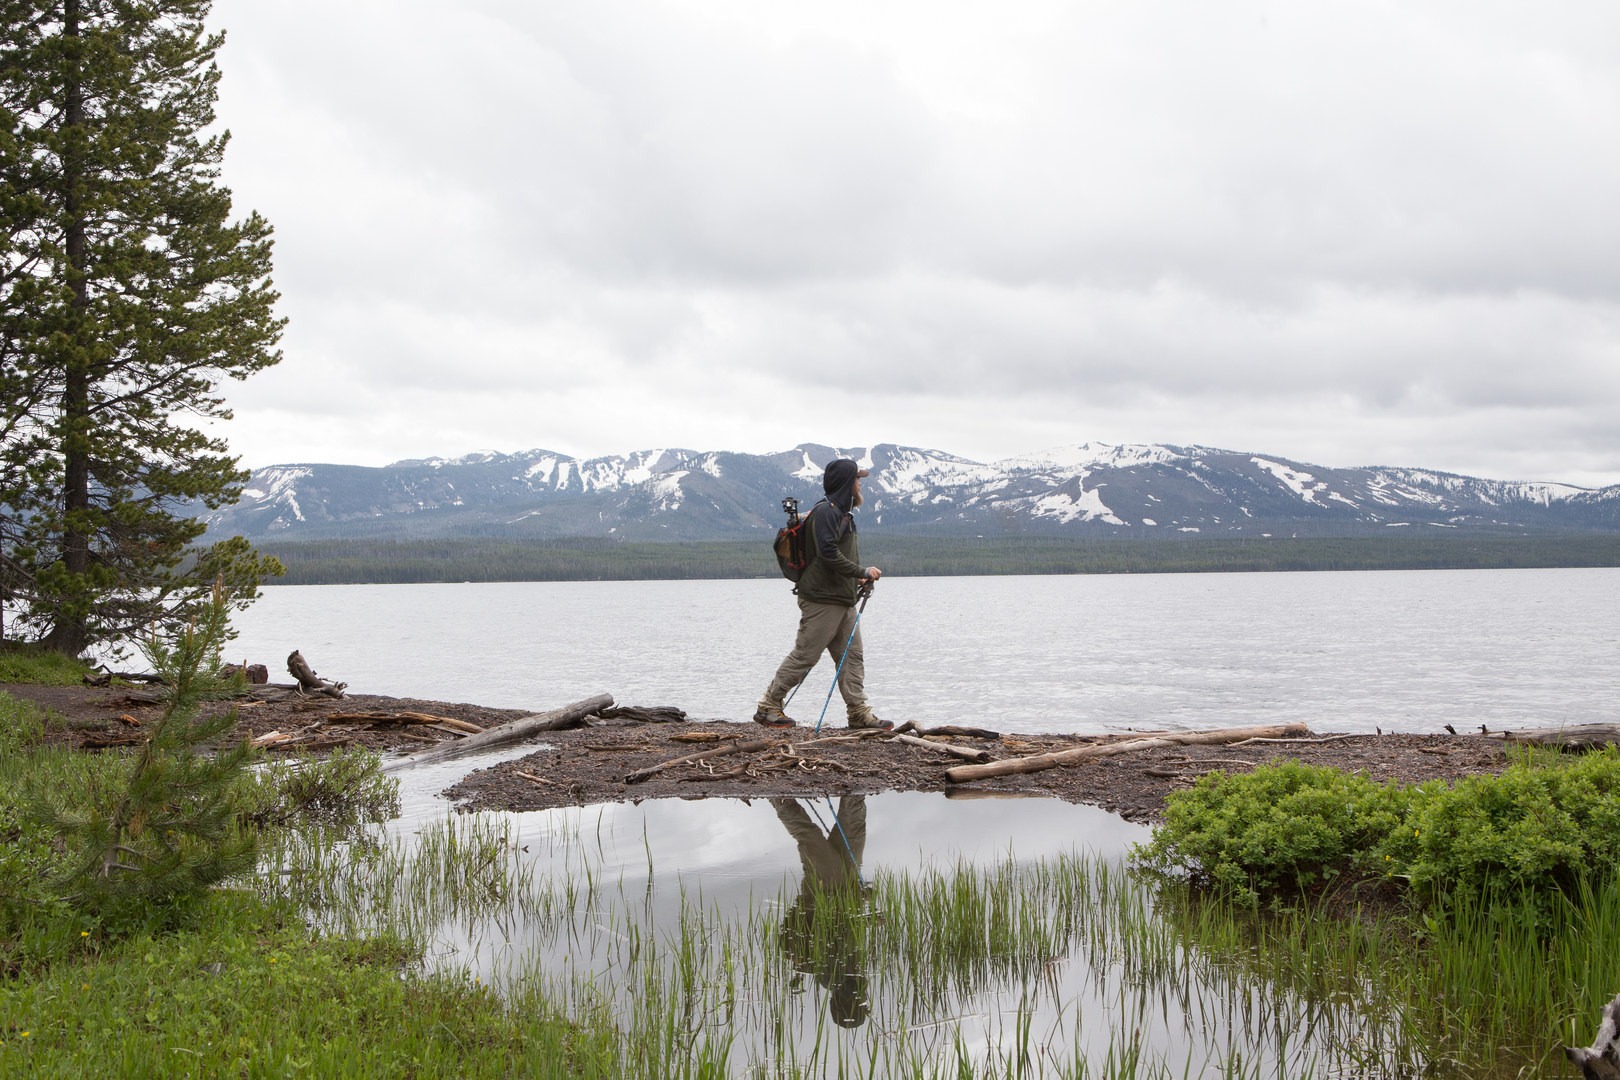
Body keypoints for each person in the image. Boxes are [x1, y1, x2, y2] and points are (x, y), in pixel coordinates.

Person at [754, 458, 891, 730]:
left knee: (851, 656)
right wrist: (861, 571)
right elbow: (828, 554)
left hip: (842, 598)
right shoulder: (827, 513)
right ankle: (768, 706)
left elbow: (834, 556)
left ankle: (858, 713)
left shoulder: (841, 514)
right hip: (821, 600)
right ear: (845, 483)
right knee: (805, 655)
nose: (859, 484)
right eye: (856, 479)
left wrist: (856, 581)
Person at [771, 796, 873, 1029]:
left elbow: (831, 930)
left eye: (859, 1002)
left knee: (810, 837)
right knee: (854, 833)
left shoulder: (828, 974)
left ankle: (780, 798)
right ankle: (853, 791)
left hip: (824, 893)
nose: (864, 996)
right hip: (848, 890)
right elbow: (849, 927)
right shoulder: (854, 972)